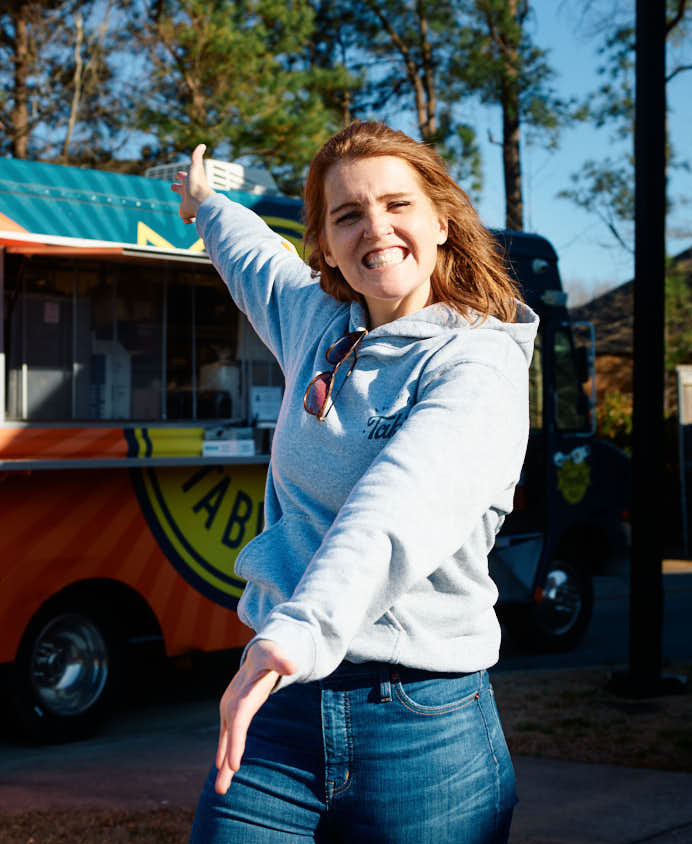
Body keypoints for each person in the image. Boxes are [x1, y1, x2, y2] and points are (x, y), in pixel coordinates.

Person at [171, 122, 537, 843]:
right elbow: (252, 258)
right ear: (327, 246)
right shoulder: (315, 322)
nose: (376, 228)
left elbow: (398, 506)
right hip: (281, 716)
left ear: (441, 222)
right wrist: (207, 204)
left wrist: (303, 630)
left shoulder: (479, 363)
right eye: (348, 215)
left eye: (397, 205)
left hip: (423, 730)